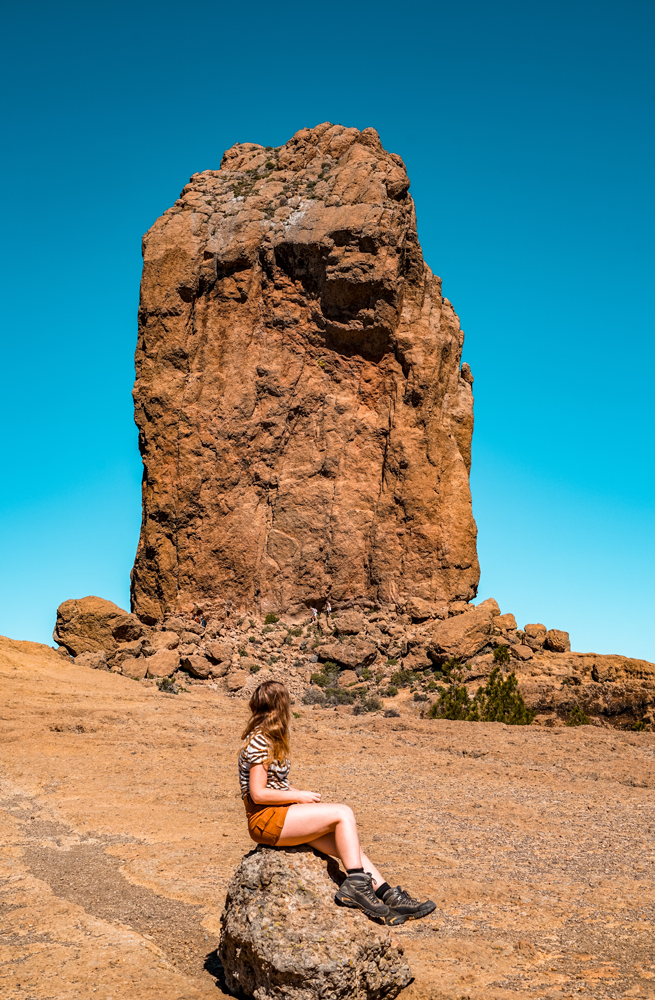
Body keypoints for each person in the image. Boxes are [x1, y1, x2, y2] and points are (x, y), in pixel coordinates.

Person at [238, 679, 435, 925]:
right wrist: (299, 797)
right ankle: (355, 885)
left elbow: (275, 785)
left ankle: (391, 899)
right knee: (343, 813)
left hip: (281, 816)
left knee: (349, 847)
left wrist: (299, 795)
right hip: (266, 820)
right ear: (280, 706)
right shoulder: (260, 740)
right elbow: (258, 794)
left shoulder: (269, 738)